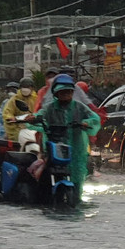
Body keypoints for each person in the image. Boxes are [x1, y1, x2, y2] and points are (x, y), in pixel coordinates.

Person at [31, 73, 101, 201]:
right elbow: (39, 116)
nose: (65, 95)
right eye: (62, 93)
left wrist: (86, 123)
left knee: (77, 176)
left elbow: (95, 118)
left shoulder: (80, 107)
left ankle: (76, 198)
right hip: (54, 148)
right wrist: (30, 118)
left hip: (76, 149)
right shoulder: (49, 108)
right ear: (56, 94)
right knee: (47, 172)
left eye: (68, 92)